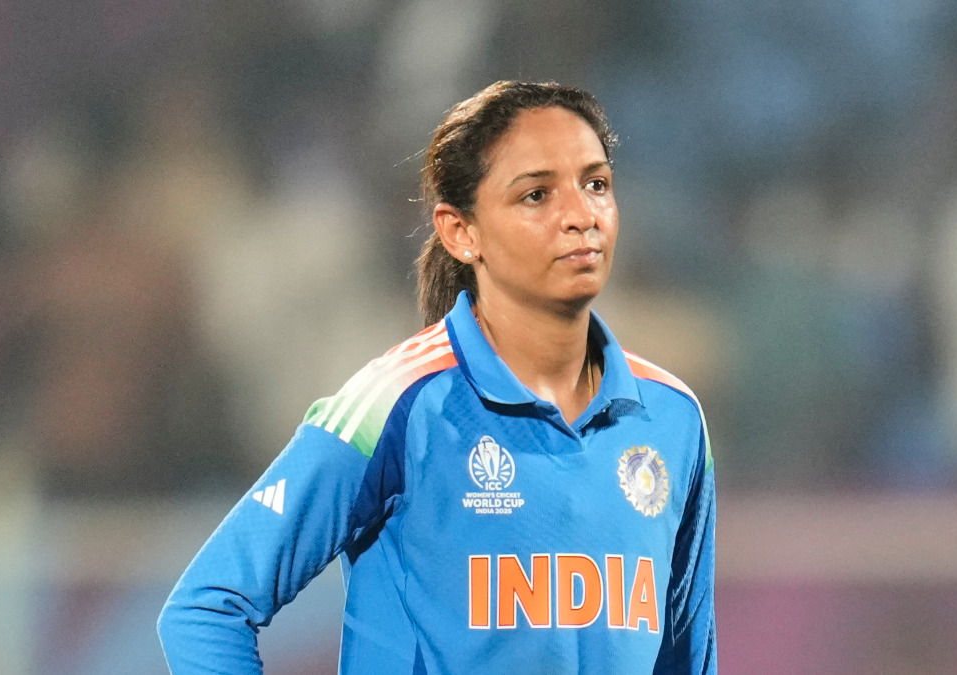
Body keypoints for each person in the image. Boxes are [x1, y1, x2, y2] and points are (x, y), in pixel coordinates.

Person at [157, 80, 716, 674]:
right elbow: (205, 610)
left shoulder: (671, 417)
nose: (581, 216)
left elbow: (687, 660)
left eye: (596, 184)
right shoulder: (398, 403)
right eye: (535, 195)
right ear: (460, 231)